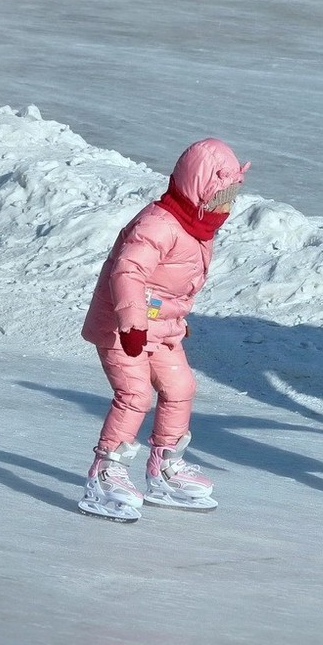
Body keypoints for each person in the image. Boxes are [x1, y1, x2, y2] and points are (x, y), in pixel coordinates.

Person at [78, 138, 249, 522]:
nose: (228, 206)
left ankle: (165, 467)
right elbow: (128, 272)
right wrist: (133, 324)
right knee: (134, 393)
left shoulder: (198, 226)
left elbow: (171, 286)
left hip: (162, 329)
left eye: (232, 197)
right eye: (222, 195)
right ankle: (106, 473)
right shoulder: (157, 224)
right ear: (198, 187)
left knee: (181, 388)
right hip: (124, 327)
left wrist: (172, 322)